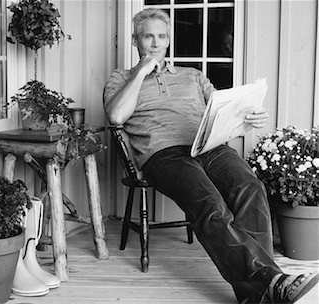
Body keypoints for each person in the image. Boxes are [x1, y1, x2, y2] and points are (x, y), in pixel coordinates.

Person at [103, 8, 318, 304]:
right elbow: (116, 115)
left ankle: (260, 290)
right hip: (164, 154)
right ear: (135, 40)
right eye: (148, 36)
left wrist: (246, 119)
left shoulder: (193, 76)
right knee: (210, 204)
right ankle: (270, 284)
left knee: (251, 188)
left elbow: (220, 112)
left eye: (162, 37)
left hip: (208, 146)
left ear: (169, 40)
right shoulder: (121, 79)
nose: (155, 44)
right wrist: (140, 72)